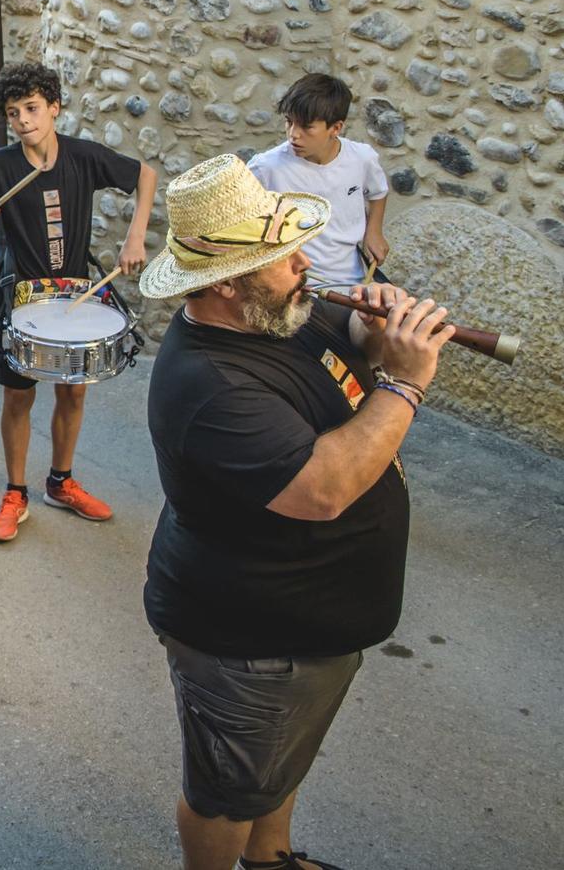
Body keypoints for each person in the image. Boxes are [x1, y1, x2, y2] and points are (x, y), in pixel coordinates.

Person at [136, 154, 453, 870]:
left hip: (305, 624)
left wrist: (377, 336)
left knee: (274, 764)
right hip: (249, 642)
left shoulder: (275, 313)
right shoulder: (210, 383)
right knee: (226, 792)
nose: (305, 262)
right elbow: (323, 488)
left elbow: (348, 351)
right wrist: (405, 384)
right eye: (282, 257)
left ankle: (270, 858)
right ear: (223, 284)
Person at [0, 62, 154, 540]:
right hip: (23, 296)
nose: (23, 120)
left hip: (75, 294)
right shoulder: (1, 165)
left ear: (55, 109)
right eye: (14, 112)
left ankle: (60, 483)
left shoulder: (81, 156)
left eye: (32, 109)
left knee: (73, 391)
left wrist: (135, 237)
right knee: (18, 396)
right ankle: (15, 493)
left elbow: (145, 174)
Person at [247, 73, 391, 288]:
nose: (293, 134)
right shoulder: (265, 168)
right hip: (298, 288)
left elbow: (378, 192)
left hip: (354, 280)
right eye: (289, 122)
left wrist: (374, 231)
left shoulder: (362, 158)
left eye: (306, 127)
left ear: (336, 128)